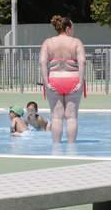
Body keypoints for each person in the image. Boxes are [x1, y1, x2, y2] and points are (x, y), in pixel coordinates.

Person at [39, 15, 86, 143]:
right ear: (68, 28)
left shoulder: (48, 42)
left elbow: (42, 62)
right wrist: (80, 82)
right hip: (73, 79)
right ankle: (71, 146)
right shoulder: (76, 42)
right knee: (71, 117)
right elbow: (82, 62)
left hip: (54, 79)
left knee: (56, 117)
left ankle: (56, 147)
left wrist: (46, 82)